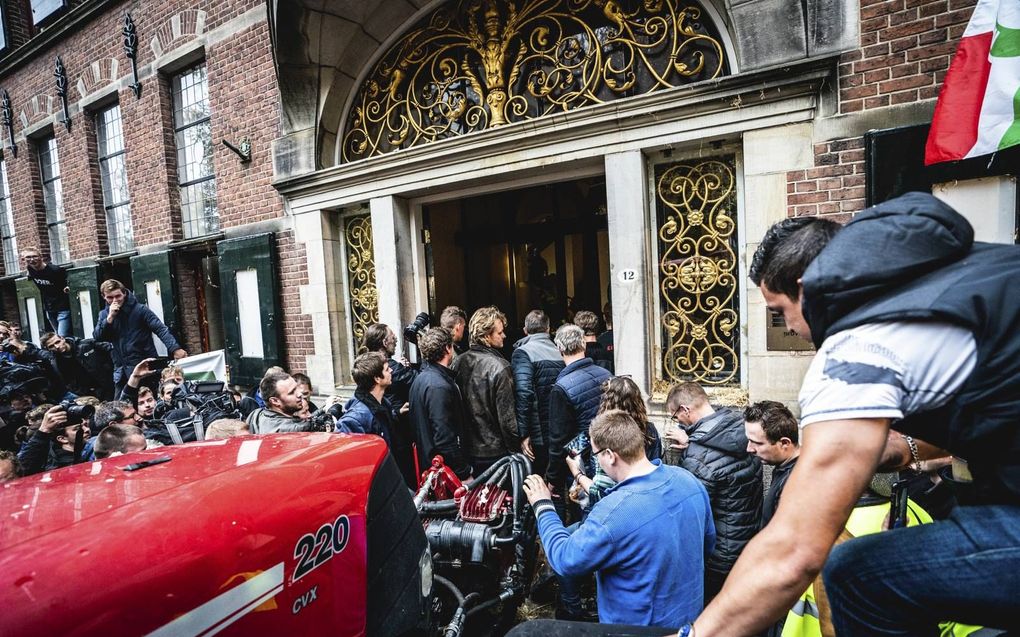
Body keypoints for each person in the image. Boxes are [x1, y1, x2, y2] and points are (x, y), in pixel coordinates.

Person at [689, 192, 1020, 637]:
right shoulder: (967, 274)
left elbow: (794, 552)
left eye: (779, 312)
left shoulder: (858, 349)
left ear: (805, 287)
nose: (787, 328)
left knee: (857, 573)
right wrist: (903, 450)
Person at [523, 410, 716, 627]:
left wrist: (543, 506)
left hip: (637, 628)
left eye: (595, 454)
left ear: (609, 455)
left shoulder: (613, 512)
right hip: (690, 621)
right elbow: (707, 544)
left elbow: (565, 559)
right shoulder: (688, 481)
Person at [665, 382, 762, 606]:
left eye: (675, 415)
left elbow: (692, 513)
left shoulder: (699, 456)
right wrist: (692, 443)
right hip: (748, 541)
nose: (677, 421)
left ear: (685, 410)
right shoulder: (741, 429)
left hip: (720, 554)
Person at [545, 323, 613, 505]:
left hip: (581, 463)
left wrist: (552, 478)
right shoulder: (606, 374)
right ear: (583, 345)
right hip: (610, 456)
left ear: (559, 349)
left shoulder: (561, 388)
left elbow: (558, 438)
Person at [451, 306, 520, 474]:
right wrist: (516, 452)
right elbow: (508, 420)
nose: (504, 335)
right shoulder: (500, 367)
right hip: (496, 454)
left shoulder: (458, 363)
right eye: (499, 332)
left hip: (468, 451)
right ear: (486, 336)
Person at [93, 279, 186, 394]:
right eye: (110, 298)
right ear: (104, 297)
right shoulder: (104, 314)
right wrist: (109, 319)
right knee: (120, 407)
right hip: (122, 371)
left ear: (124, 293)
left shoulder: (140, 310)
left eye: (118, 296)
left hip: (145, 366)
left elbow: (160, 328)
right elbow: (97, 337)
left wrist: (174, 348)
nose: (115, 300)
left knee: (151, 401)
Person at [408, 327, 472, 481]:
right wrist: (463, 473)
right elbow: (444, 437)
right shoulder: (438, 386)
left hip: (433, 469)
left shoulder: (422, 379)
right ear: (447, 349)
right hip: (445, 474)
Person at [511, 309, 565, 477]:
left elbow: (524, 392)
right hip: (561, 427)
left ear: (525, 330)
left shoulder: (523, 353)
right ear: (548, 329)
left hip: (538, 432)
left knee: (538, 479)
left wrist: (523, 433)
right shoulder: (561, 352)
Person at [744, 400, 800, 527]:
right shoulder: (785, 468)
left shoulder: (796, 484)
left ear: (785, 443)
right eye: (748, 440)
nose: (749, 449)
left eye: (757, 443)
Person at [337, 351, 397, 445]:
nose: (391, 370)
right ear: (377, 378)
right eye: (386, 369)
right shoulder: (355, 419)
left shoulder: (384, 403)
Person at [16, 404, 90, 474]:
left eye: (86, 425)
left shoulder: (90, 449)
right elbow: (22, 468)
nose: (87, 430)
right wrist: (44, 430)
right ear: (62, 438)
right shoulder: (55, 463)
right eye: (77, 429)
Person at [41, 332, 116, 400]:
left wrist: (115, 374)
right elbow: (68, 383)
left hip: (112, 382)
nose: (57, 346)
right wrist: (86, 394)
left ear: (62, 339)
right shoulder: (56, 363)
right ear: (48, 349)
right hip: (93, 393)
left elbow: (112, 350)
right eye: (51, 346)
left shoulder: (86, 344)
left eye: (57, 342)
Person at [245, 371, 317, 434]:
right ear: (275, 401)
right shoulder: (286, 429)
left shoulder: (256, 414)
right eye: (292, 392)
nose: (299, 394)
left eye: (296, 388)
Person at [22, 247, 71, 337]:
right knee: (57, 335)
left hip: (63, 307)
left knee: (62, 336)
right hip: (49, 308)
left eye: (34, 256)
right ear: (23, 259)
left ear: (40, 257)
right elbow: (29, 273)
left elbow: (69, 281)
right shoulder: (30, 269)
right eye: (28, 257)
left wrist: (67, 287)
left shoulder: (54, 270)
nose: (32, 260)